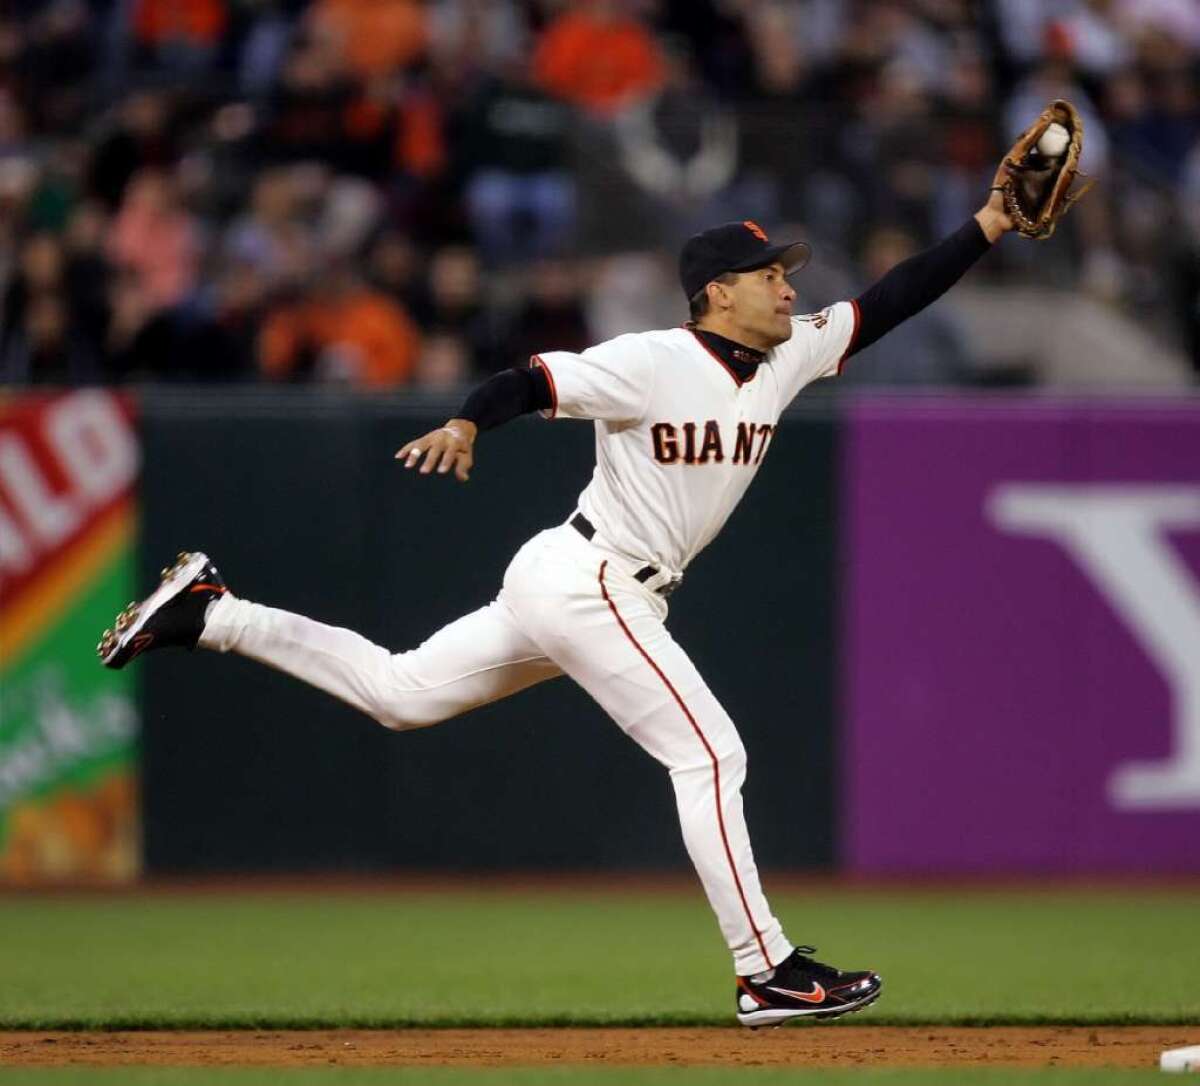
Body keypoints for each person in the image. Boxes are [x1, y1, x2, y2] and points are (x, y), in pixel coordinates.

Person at [98, 178, 1017, 1028]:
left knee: (399, 693)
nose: (787, 288)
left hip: (581, 584)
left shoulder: (788, 357)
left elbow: (893, 297)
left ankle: (214, 613)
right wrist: (466, 421)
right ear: (716, 292)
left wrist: (990, 224)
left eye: (786, 275)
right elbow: (530, 380)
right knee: (710, 752)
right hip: (592, 579)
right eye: (769, 274)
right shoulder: (650, 361)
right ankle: (765, 968)